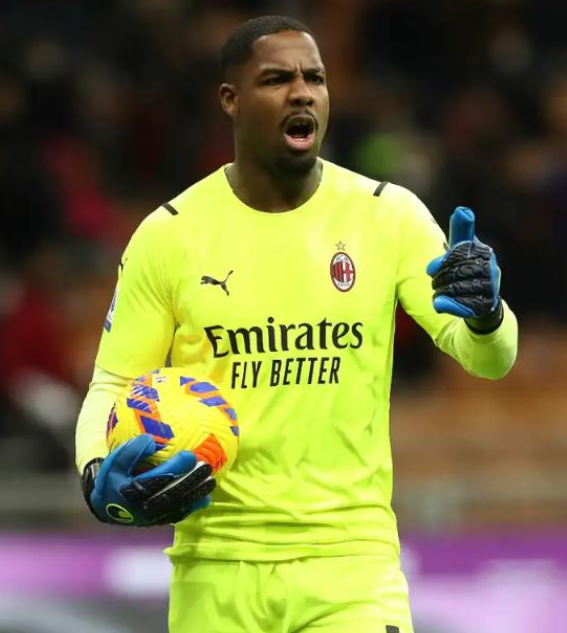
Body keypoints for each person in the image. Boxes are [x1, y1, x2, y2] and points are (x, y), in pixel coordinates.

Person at [75, 15, 518, 633]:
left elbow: (489, 360)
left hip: (350, 567)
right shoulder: (170, 236)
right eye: (277, 79)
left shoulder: (387, 217)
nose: (302, 92)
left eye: (315, 78)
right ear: (230, 99)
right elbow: (114, 383)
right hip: (215, 567)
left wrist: (488, 316)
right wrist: (96, 470)